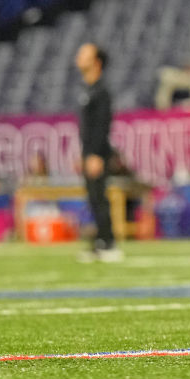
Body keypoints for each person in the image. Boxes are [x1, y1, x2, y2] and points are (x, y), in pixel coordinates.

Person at [74, 43, 122, 262]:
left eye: (84, 54)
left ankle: (108, 242)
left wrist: (94, 154)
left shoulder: (101, 91)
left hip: (97, 152)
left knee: (99, 197)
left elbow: (102, 125)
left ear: (96, 62)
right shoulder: (88, 89)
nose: (79, 57)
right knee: (93, 197)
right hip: (88, 151)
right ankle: (100, 241)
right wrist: (83, 152)